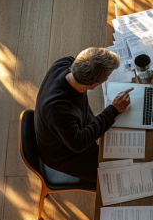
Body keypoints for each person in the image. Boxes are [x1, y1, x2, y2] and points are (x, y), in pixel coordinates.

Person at [35, 48, 133, 186]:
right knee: (121, 178)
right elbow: (79, 144)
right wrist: (113, 109)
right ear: (94, 85)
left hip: (73, 130)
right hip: (66, 155)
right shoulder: (58, 109)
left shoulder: (64, 63)